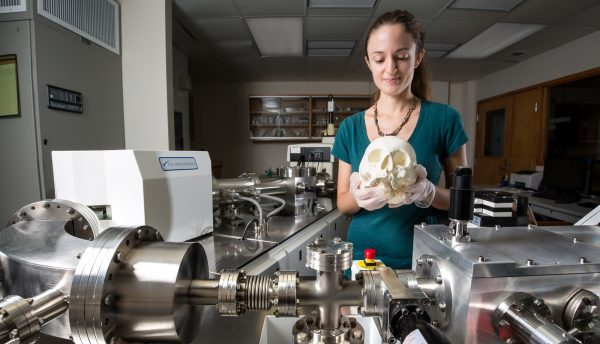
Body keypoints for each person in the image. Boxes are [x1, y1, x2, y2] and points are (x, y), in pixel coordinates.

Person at [332, 9, 468, 269]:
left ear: (418, 57)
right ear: (368, 62)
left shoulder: (445, 119)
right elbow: (343, 203)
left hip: (423, 260)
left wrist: (428, 192)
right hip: (363, 258)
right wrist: (358, 197)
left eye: (402, 57)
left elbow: (462, 203)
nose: (391, 68)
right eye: (380, 59)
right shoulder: (350, 128)